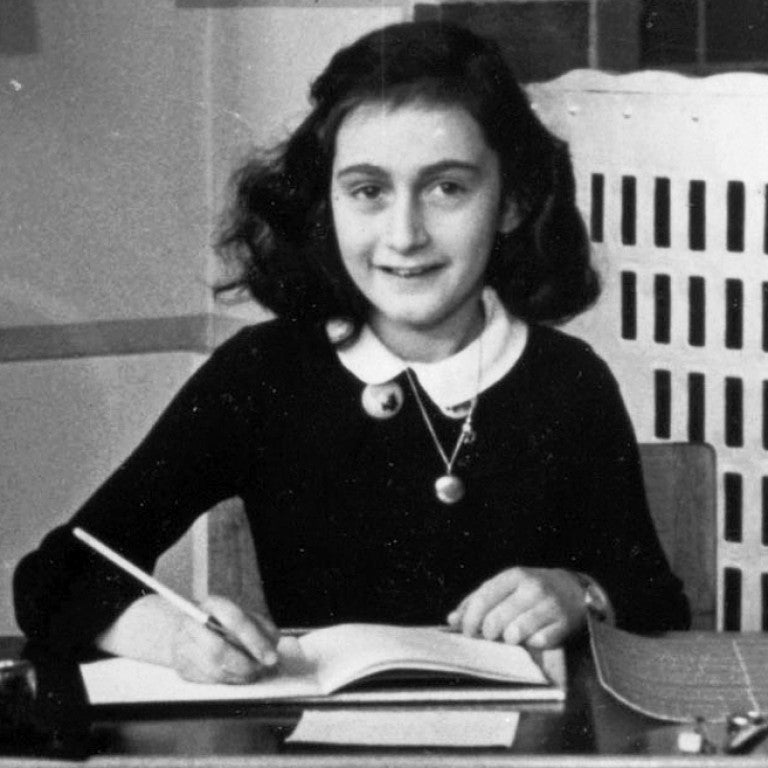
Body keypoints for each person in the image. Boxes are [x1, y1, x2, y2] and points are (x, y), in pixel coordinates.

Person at [14, 20, 690, 685]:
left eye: (447, 188)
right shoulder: (261, 375)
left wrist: (579, 593)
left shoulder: (568, 382)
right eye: (368, 191)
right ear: (326, 205)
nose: (404, 235)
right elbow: (54, 577)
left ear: (512, 201)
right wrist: (174, 638)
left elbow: (658, 604)